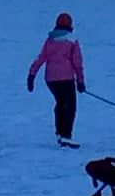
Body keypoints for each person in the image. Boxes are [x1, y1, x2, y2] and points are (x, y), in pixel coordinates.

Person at [27, 15, 88, 145]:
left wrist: (31, 75)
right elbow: (77, 62)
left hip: (51, 79)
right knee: (70, 105)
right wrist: (80, 81)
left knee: (60, 103)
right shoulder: (72, 41)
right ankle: (66, 134)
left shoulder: (50, 40)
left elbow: (41, 58)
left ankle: (60, 132)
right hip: (66, 78)